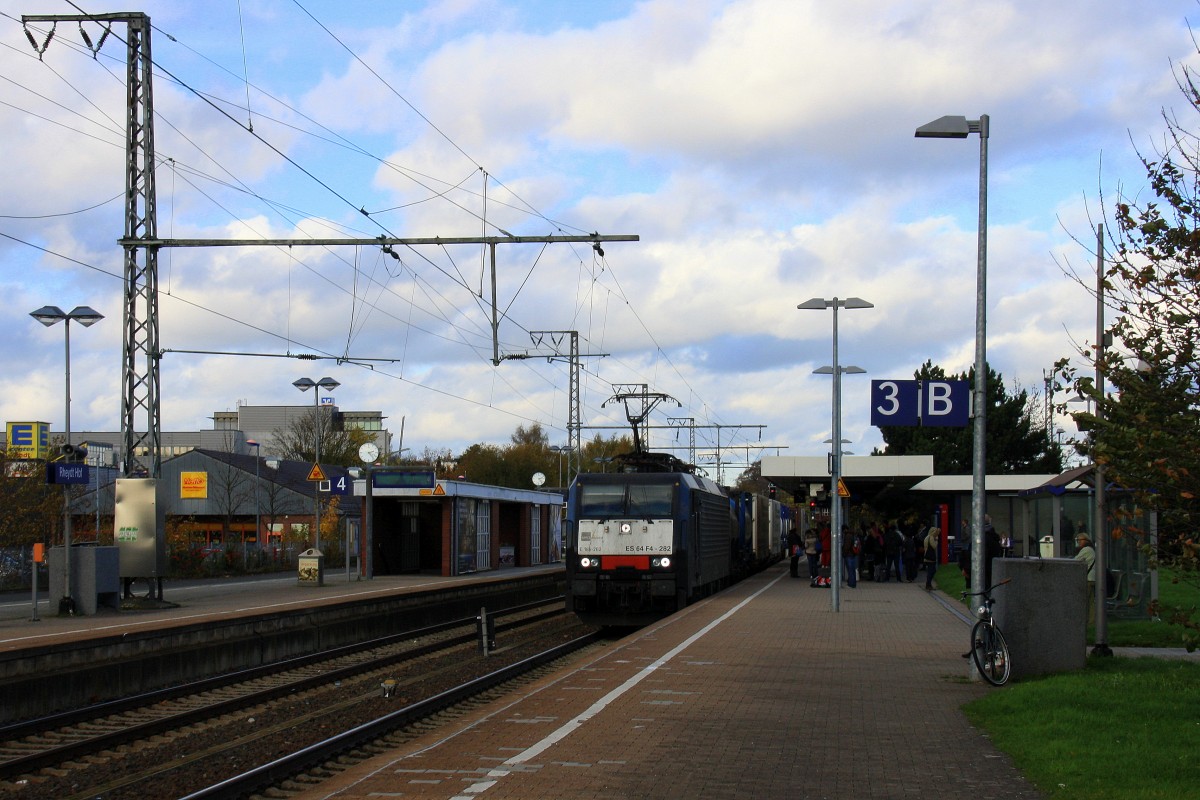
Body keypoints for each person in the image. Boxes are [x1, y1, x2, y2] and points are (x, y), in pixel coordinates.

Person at [1075, 533, 1097, 624]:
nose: (1078, 542)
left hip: (1087, 579)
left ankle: (1085, 620)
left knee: (1084, 600)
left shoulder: (1086, 549)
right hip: (1092, 578)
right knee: (1090, 601)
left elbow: (1076, 560)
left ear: (1086, 540)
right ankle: (1091, 621)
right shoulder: (1091, 549)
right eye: (1077, 540)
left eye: (1080, 540)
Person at [923, 525, 940, 590]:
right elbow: (934, 546)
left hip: (927, 556)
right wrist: (936, 540)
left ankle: (928, 584)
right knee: (932, 571)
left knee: (931, 571)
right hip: (931, 557)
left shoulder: (926, 537)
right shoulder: (931, 537)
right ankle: (928, 584)